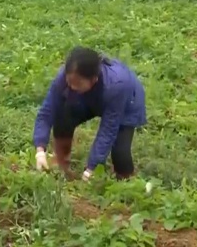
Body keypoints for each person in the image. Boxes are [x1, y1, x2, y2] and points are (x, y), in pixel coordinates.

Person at [33, 47, 147, 181]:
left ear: (94, 79)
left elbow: (108, 129)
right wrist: (40, 150)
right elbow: (47, 111)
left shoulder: (117, 85)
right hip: (88, 97)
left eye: (78, 83)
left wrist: (92, 167)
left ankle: (126, 182)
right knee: (63, 117)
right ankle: (61, 163)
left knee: (120, 153)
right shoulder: (65, 77)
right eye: (70, 82)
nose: (72, 87)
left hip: (127, 103)